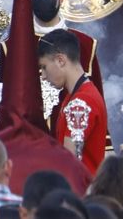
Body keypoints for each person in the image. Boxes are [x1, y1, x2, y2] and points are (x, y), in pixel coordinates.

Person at [39, 28, 106, 176]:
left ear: (60, 60)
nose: (43, 76)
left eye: (44, 67)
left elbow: (69, 162)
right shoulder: (75, 96)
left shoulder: (81, 102)